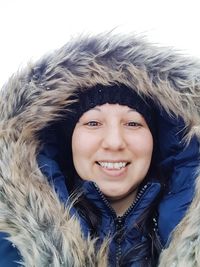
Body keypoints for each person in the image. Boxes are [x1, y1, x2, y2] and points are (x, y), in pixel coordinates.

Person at [0, 33, 199, 267]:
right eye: (93, 123)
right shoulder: (10, 242)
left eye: (133, 123)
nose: (114, 142)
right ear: (68, 140)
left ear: (157, 141)